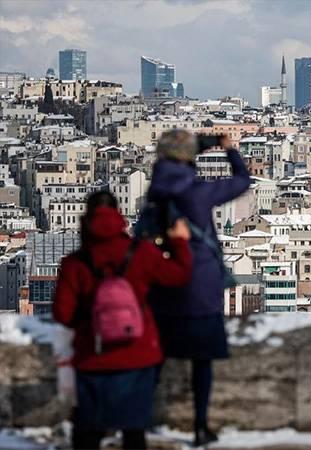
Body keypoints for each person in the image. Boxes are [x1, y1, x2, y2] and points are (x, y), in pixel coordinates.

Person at [53, 191, 192, 450]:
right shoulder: (141, 252)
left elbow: (62, 314)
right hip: (137, 354)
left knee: (88, 432)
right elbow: (178, 276)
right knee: (133, 430)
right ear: (119, 215)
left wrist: (91, 324)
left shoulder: (75, 263)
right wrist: (180, 243)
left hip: (92, 357)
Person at [146, 129, 250, 447]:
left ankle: (140, 419)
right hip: (200, 287)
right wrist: (227, 150)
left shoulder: (155, 191)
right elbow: (242, 181)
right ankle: (200, 427)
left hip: (163, 285)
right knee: (201, 362)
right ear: (190, 156)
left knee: (154, 359)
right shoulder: (197, 191)